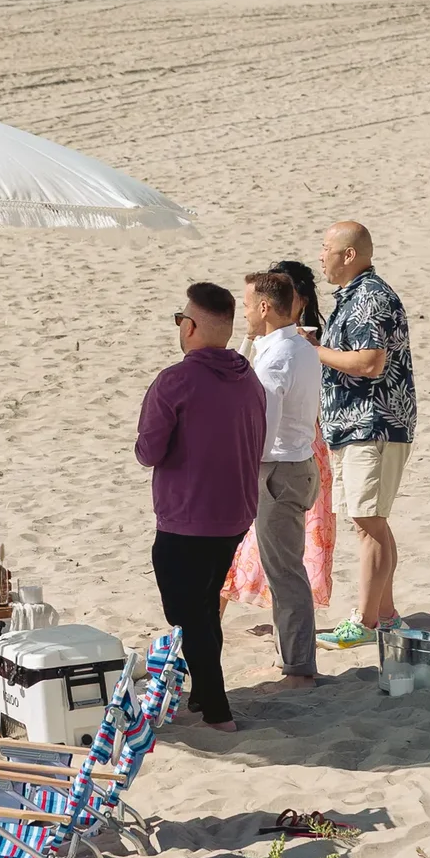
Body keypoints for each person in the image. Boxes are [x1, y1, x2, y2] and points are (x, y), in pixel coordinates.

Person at [135, 282, 266, 731]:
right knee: (204, 607)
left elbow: (149, 451)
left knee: (189, 613)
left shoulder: (176, 380)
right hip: (234, 513)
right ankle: (202, 699)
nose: (179, 327)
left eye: (180, 320)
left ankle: (216, 708)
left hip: (189, 518)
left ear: (190, 327)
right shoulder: (247, 377)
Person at [316, 221, 416, 638]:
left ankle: (367, 619)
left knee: (368, 520)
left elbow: (370, 362)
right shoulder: (353, 296)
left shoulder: (370, 298)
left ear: (349, 255)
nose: (321, 256)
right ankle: (387, 614)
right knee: (369, 521)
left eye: (326, 248)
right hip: (355, 425)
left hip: (372, 423)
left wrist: (314, 350)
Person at [243, 266, 326, 688]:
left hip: (278, 469)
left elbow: (263, 430)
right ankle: (291, 659)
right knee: (284, 569)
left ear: (263, 307)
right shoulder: (302, 347)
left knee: (285, 573)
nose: (245, 315)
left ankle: (298, 667)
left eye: (247, 306)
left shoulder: (276, 358)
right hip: (299, 463)